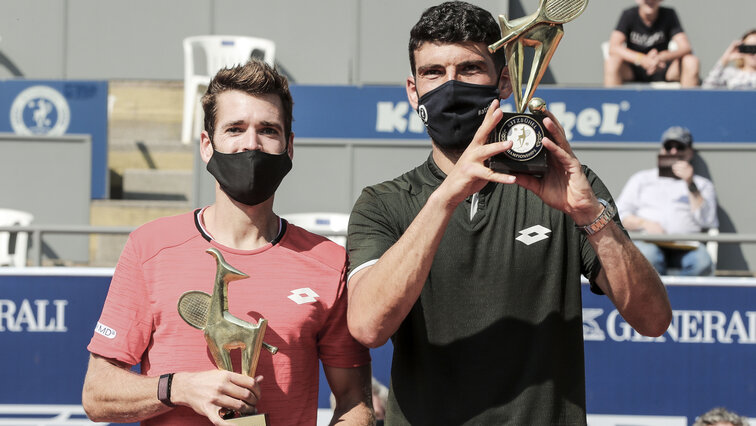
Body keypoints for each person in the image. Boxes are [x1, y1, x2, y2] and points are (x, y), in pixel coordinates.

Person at [346, 2, 672, 425]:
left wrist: (591, 215)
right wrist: (447, 197)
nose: (450, 86)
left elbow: (652, 319)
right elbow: (369, 326)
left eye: (468, 69)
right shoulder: (383, 203)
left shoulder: (568, 186)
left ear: (503, 81)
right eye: (434, 73)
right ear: (413, 90)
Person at [82, 60, 373, 426]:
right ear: (207, 145)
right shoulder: (149, 247)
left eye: (268, 130)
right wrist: (179, 388)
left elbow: (353, 402)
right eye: (235, 129)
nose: (250, 144)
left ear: (289, 147)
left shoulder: (328, 262)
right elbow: (96, 395)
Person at [616, 126, 718, 276]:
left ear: (689, 153)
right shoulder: (642, 179)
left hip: (687, 246)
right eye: (669, 147)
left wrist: (690, 184)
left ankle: (682, 299)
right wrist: (644, 223)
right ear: (662, 150)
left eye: (680, 147)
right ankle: (657, 299)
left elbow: (708, 221)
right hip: (648, 242)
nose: (674, 152)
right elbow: (619, 214)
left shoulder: (702, 184)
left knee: (702, 263)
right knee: (648, 256)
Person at [604, 0, 699, 87]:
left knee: (691, 61)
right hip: (635, 68)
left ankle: (688, 103)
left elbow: (686, 47)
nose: (650, 1)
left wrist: (662, 57)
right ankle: (612, 103)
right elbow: (614, 47)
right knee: (611, 63)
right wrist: (642, 59)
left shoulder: (669, 14)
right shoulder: (628, 15)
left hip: (662, 67)